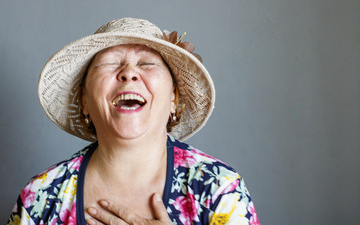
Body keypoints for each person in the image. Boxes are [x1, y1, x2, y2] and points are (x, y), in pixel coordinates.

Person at [7, 18, 260, 225]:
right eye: (111, 63)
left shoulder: (219, 189)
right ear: (84, 100)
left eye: (147, 63)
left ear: (174, 98)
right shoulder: (40, 198)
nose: (128, 73)